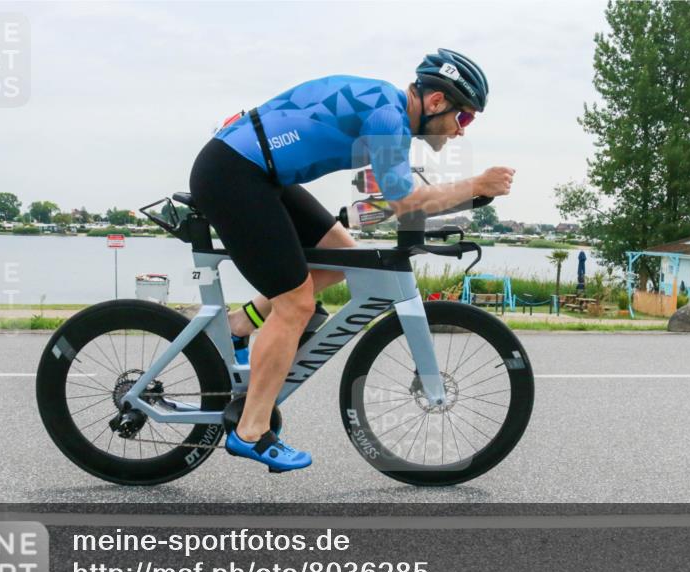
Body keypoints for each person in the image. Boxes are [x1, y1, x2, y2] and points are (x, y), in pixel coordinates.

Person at [188, 48, 514, 472]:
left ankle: (241, 324)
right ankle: (250, 430)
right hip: (234, 173)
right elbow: (405, 203)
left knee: (347, 257)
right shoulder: (387, 118)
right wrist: (474, 183)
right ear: (436, 102)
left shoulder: (388, 113)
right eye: (464, 117)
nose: (461, 132)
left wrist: (463, 193)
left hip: (259, 173)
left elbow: (395, 197)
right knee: (297, 304)